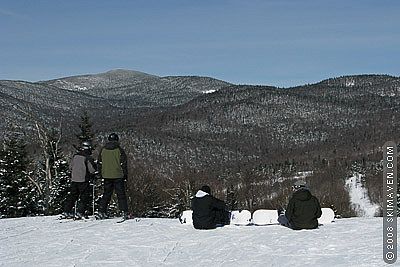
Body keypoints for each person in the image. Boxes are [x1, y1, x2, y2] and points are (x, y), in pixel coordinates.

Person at [96, 133, 129, 219]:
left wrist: (100, 174)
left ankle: (101, 211)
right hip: (118, 175)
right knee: (121, 194)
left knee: (106, 194)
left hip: (106, 175)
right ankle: (123, 211)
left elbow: (99, 163)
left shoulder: (103, 150)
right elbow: (123, 164)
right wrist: (125, 175)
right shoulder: (119, 150)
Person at [61, 141, 97, 219]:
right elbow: (92, 170)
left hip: (74, 179)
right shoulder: (87, 157)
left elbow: (70, 167)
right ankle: (80, 212)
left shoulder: (75, 156)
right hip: (83, 180)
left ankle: (66, 211)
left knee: (72, 196)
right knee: (84, 196)